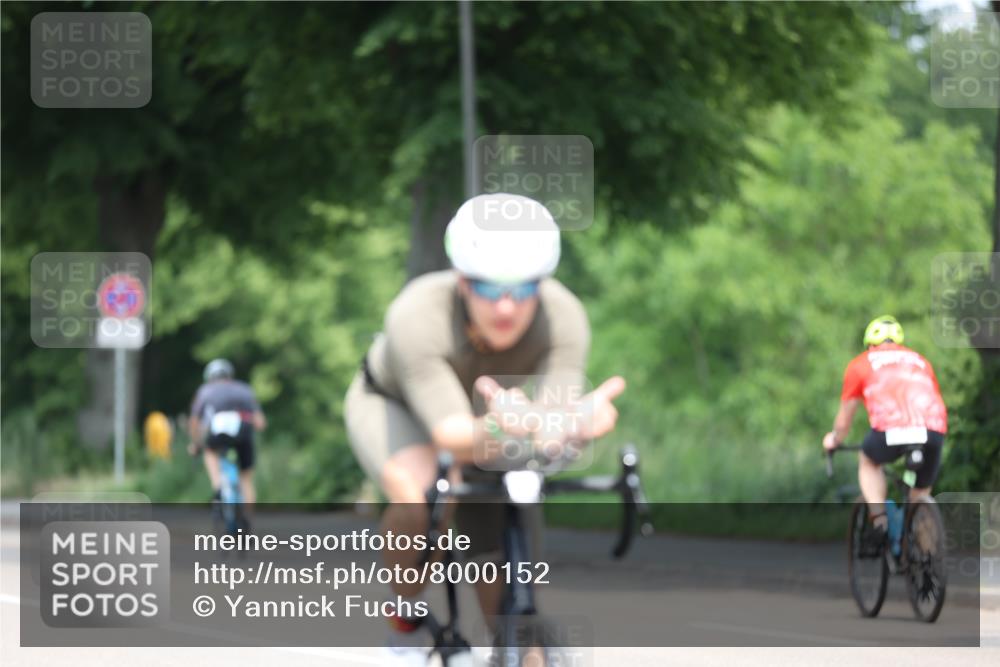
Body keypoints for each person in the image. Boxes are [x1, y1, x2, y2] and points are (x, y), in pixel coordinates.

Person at [344, 193, 625, 664]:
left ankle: (513, 645)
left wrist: (571, 426)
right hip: (399, 406)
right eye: (490, 289)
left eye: (524, 288)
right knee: (426, 493)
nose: (507, 307)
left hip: (499, 423)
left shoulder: (564, 317)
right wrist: (513, 429)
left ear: (544, 283)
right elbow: (452, 433)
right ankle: (406, 622)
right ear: (461, 281)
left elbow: (552, 422)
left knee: (510, 600)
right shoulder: (416, 314)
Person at [822, 315, 947, 538]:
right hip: (933, 430)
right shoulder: (921, 360)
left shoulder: (861, 363)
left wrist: (834, 440)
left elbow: (843, 421)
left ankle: (880, 521)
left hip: (891, 430)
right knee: (919, 498)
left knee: (868, 461)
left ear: (870, 344)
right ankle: (929, 559)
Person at [188, 358, 267, 505]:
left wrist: (195, 444)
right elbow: (260, 423)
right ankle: (247, 521)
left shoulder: (205, 391)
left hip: (218, 431)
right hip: (243, 430)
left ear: (209, 377)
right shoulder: (245, 389)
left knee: (210, 452)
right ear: (230, 375)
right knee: (246, 478)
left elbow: (194, 421)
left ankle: (218, 486)